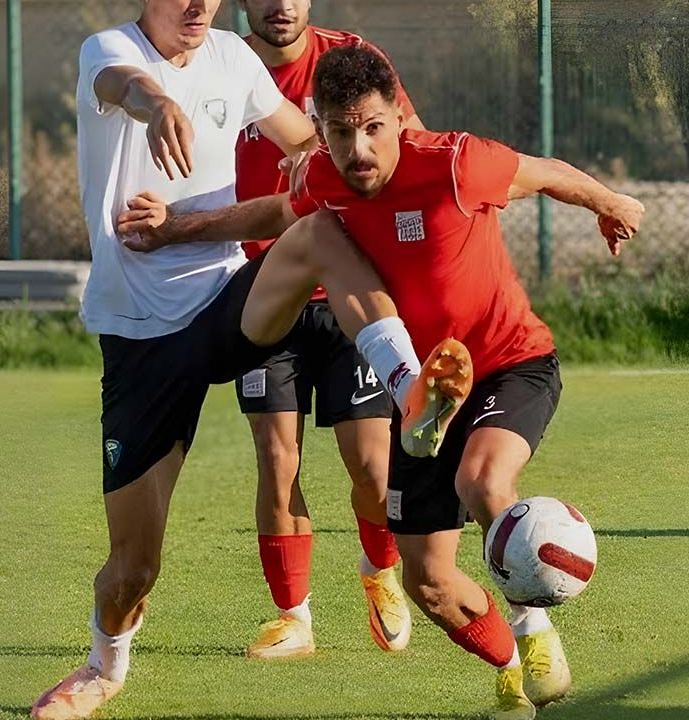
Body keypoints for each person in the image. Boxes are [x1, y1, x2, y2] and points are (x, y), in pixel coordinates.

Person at [115, 44, 644, 720]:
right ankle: (512, 674)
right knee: (429, 584)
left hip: (508, 363)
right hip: (422, 392)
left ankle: (534, 628)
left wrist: (609, 202)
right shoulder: (324, 179)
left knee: (482, 481)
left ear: (398, 117)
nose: (358, 149)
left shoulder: (456, 163)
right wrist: (175, 230)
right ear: (321, 129)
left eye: (372, 128)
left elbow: (541, 172)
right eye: (340, 132)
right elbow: (273, 216)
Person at [30, 4, 455, 718]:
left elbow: (304, 140)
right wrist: (158, 103)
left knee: (317, 234)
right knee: (133, 570)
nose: (198, 6)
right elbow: (124, 86)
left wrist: (333, 159)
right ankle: (104, 668)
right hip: (142, 338)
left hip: (228, 299)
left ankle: (407, 384)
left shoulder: (232, 55)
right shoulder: (106, 50)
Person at [230, 0, 426, 660]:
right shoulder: (219, 67)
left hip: (350, 291)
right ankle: (293, 616)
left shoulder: (350, 61)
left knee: (372, 465)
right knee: (276, 455)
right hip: (266, 292)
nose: (281, 5)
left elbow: (409, 147)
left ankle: (381, 572)